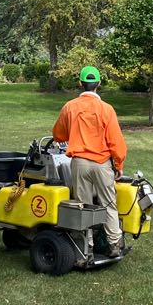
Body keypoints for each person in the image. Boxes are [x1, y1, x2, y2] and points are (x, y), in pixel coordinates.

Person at [52, 65, 127, 257]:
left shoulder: (70, 107)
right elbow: (116, 142)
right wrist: (118, 165)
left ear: (80, 83)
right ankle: (114, 245)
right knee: (109, 204)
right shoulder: (106, 109)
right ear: (99, 84)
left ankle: (87, 247)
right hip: (102, 163)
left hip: (79, 163)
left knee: (83, 206)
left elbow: (58, 134)